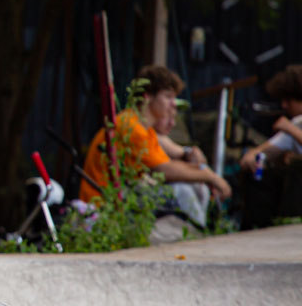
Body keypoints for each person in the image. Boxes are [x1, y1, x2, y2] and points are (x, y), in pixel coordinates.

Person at [78, 65, 231, 227]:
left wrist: (200, 169)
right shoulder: (132, 127)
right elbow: (165, 171)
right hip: (102, 206)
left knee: (194, 186)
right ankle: (198, 234)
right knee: (182, 190)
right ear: (147, 96)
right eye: (168, 97)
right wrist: (210, 177)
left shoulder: (145, 129)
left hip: (121, 197)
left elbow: (168, 163)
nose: (173, 104)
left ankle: (199, 232)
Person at [239, 64, 302, 229]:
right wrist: (252, 157)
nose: (284, 106)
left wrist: (291, 130)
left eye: (289, 100)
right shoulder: (297, 123)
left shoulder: (292, 127)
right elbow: (262, 151)